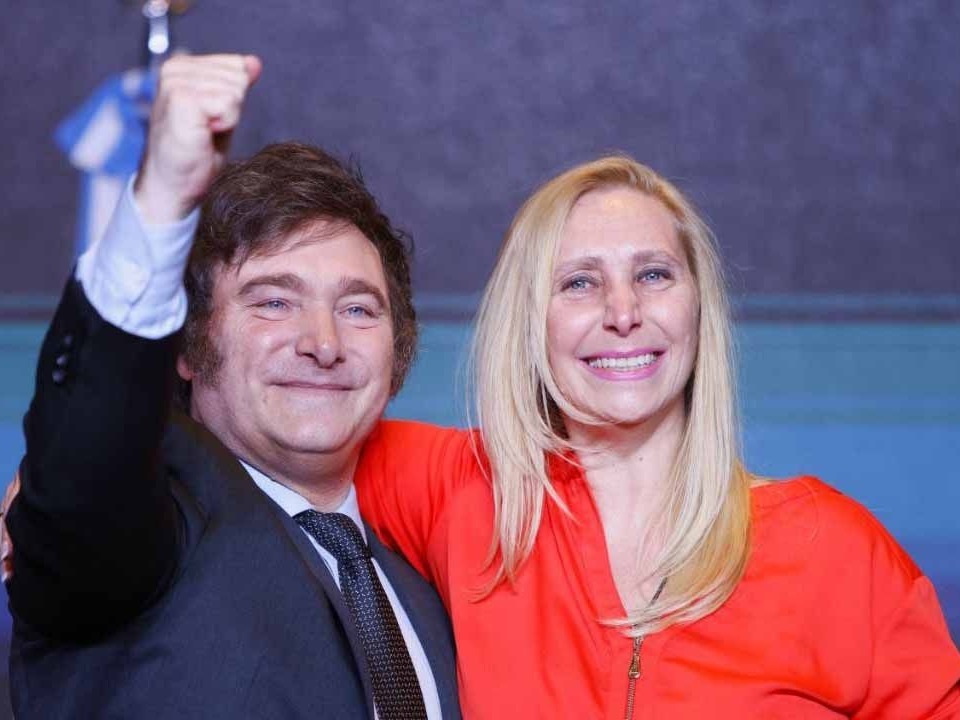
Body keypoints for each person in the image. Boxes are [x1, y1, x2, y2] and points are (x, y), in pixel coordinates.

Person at [348, 158, 960, 717]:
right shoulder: (459, 488)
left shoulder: (833, 549)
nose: (623, 313)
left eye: (654, 274)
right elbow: (296, 433)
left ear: (698, 307)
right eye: (579, 282)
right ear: (530, 321)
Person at [3, 54, 460, 719]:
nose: (323, 342)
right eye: (273, 302)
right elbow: (88, 454)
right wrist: (162, 199)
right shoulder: (148, 522)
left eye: (359, 309)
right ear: (189, 346)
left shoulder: (427, 589)